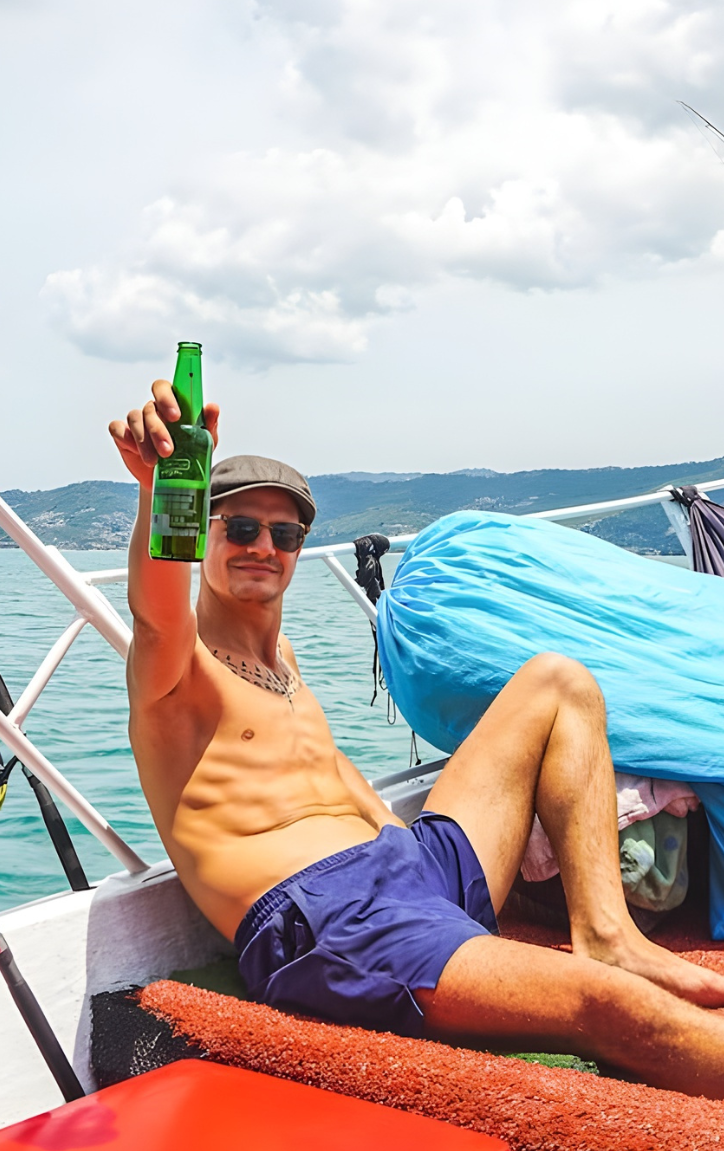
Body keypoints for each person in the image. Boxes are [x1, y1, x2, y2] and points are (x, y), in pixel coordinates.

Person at [110, 381, 724, 1099]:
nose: (263, 547)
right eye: (240, 529)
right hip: (336, 921)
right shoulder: (177, 675)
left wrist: (402, 843)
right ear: (202, 537)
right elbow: (156, 614)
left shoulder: (284, 663)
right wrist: (160, 491)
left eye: (284, 534)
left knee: (558, 681)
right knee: (612, 1010)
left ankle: (608, 934)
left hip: (415, 867)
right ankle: (608, 977)